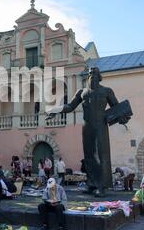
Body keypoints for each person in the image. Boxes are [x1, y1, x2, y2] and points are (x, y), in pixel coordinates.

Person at [46, 66, 131, 197]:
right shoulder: (82, 92)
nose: (92, 75)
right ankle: (91, 184)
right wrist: (56, 110)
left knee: (100, 155)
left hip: (101, 126)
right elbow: (70, 106)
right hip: (87, 126)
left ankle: (101, 187)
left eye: (95, 72)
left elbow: (117, 108)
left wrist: (123, 117)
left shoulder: (107, 91)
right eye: (90, 73)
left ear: (99, 75)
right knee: (89, 156)